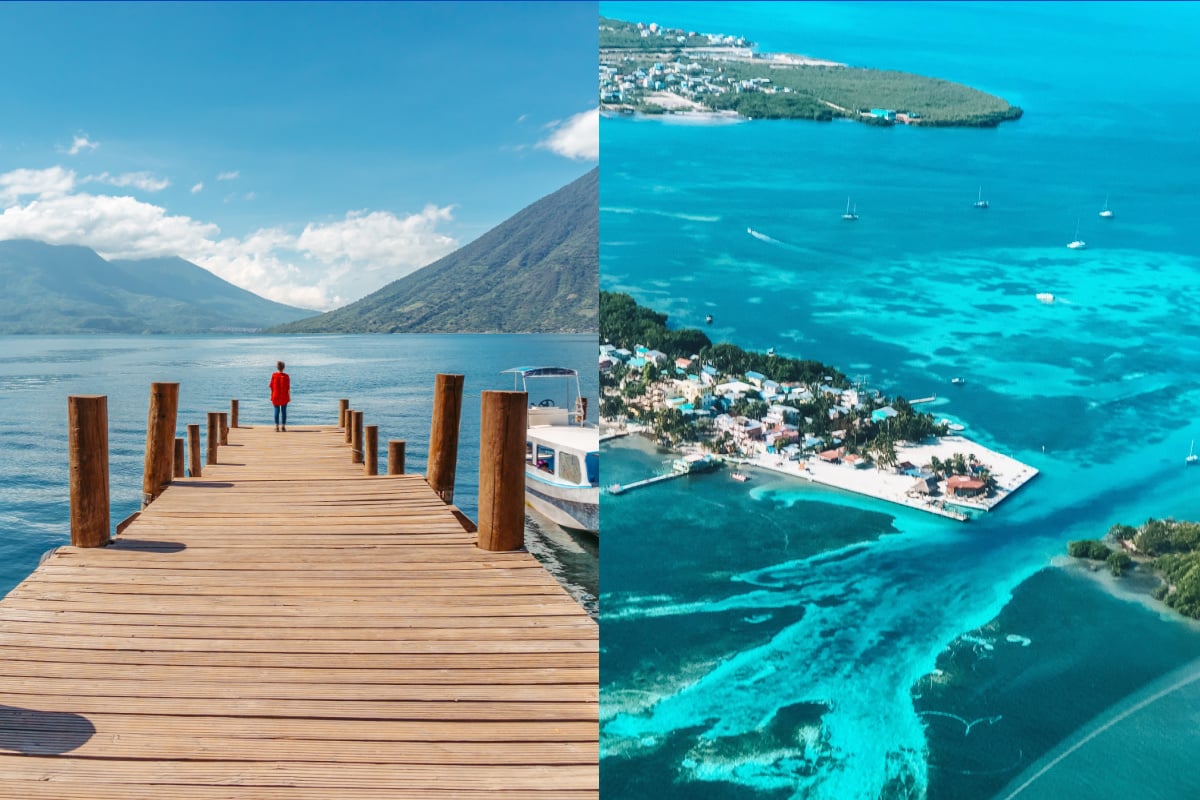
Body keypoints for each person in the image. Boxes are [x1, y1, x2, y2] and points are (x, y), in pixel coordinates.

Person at [269, 360, 290, 431]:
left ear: (277, 367)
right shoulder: (286, 376)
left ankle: (277, 427)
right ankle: (283, 427)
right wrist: (289, 397)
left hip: (275, 395)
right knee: (284, 411)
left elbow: (271, 386)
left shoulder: (274, 375)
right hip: (284, 396)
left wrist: (271, 395)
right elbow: (288, 388)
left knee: (276, 410)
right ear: (283, 368)